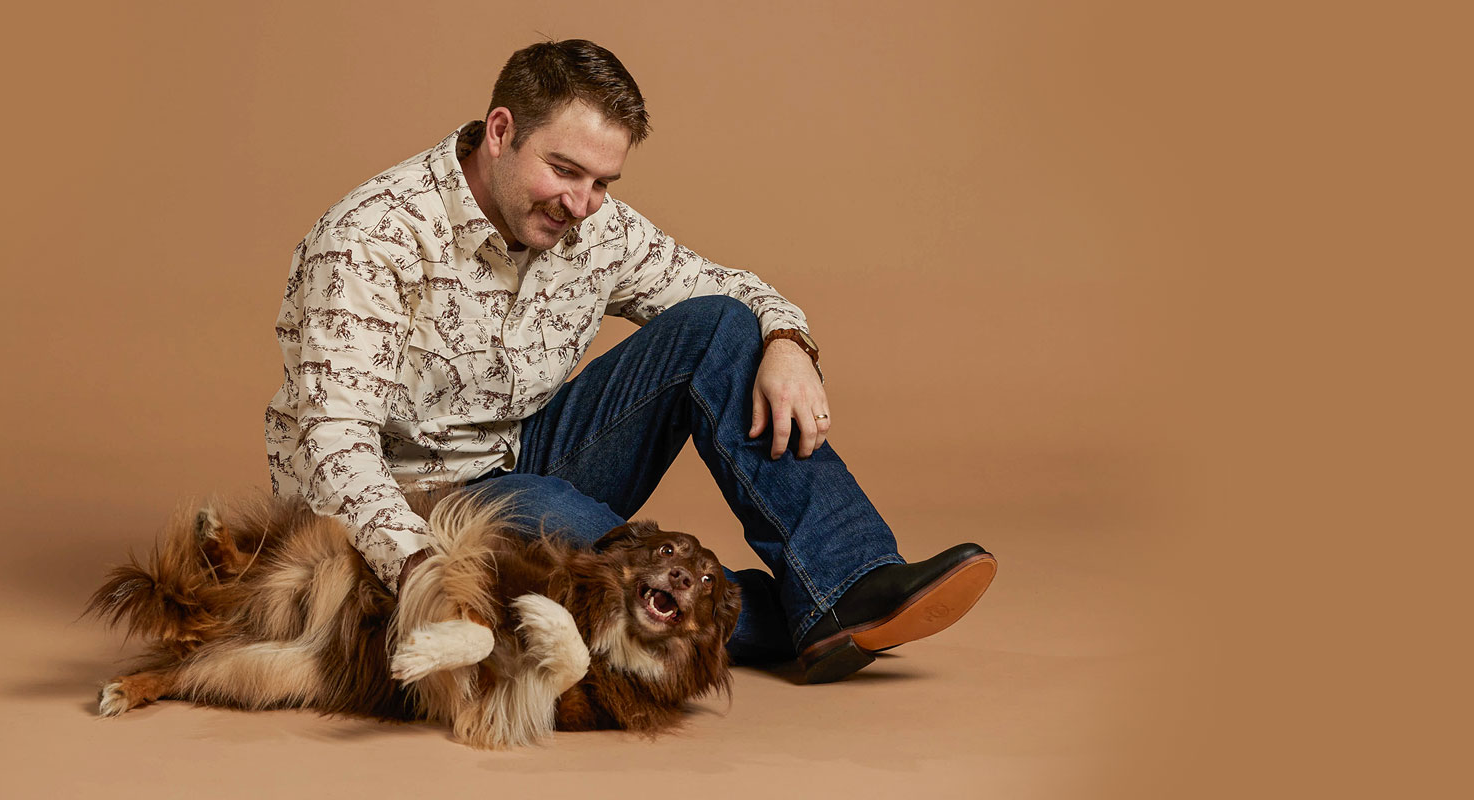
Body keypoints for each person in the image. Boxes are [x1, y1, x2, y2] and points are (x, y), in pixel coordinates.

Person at [265, 39, 997, 683]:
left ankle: (850, 581)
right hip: (414, 505)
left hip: (523, 452)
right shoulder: (375, 236)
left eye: (603, 182)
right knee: (576, 532)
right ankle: (787, 614)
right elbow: (333, 447)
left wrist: (786, 340)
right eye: (565, 170)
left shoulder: (592, 223)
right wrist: (424, 573)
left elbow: (730, 290)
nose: (582, 204)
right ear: (500, 132)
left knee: (718, 328)